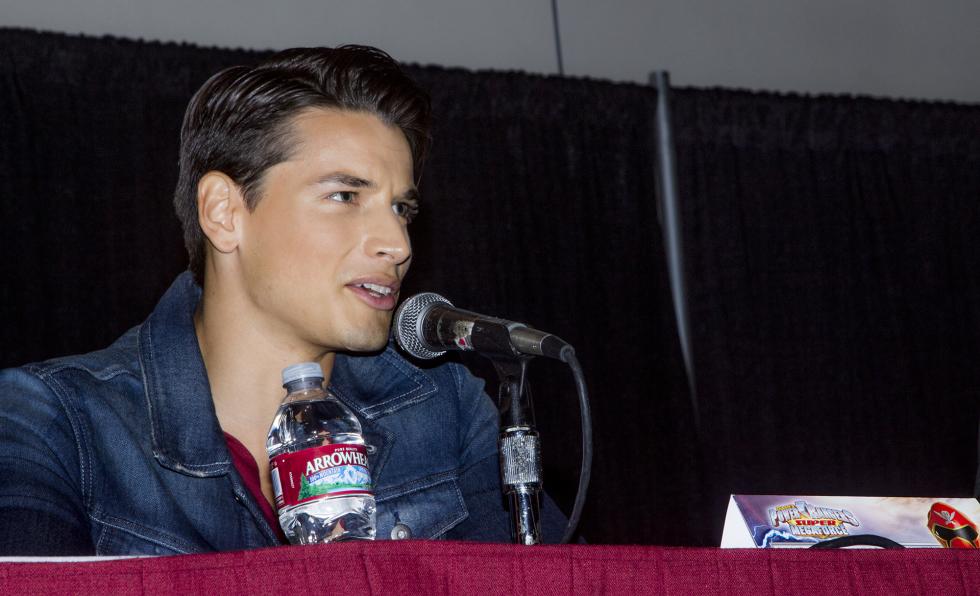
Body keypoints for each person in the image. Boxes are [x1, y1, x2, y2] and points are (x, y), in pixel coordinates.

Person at [0, 45, 565, 555]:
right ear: (224, 213)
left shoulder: (442, 408)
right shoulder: (54, 421)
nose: (398, 245)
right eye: (345, 196)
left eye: (402, 209)